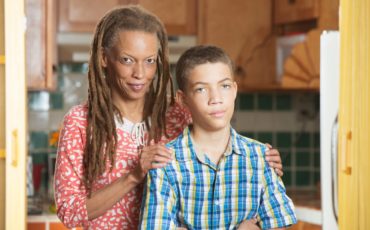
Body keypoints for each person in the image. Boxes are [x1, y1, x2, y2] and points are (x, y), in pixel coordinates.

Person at [54, 5, 284, 229]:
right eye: (127, 60)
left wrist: (260, 161)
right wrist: (133, 176)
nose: (140, 74)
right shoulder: (80, 123)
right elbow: (69, 212)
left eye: (149, 61)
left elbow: (220, 161)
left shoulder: (178, 115)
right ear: (104, 58)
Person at [139, 45, 297, 229]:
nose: (216, 98)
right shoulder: (165, 163)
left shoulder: (262, 158)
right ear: (183, 100)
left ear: (235, 90)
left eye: (224, 86)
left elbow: (280, 224)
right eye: (201, 89)